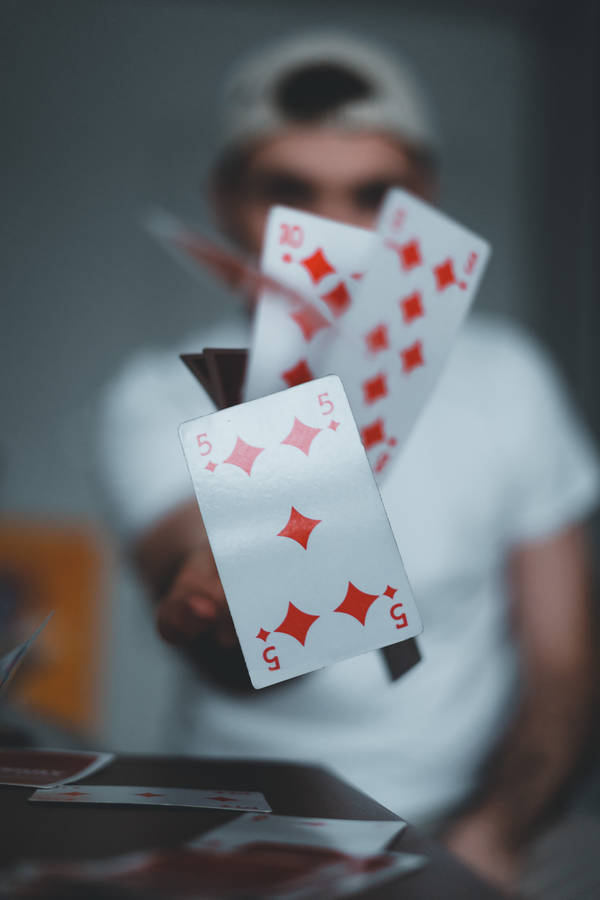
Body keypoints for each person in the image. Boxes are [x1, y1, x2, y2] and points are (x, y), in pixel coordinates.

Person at [98, 33, 600, 893]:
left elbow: (561, 658)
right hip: (237, 827)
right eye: (290, 193)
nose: (330, 232)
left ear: (424, 203)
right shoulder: (156, 397)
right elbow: (256, 657)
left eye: (372, 195)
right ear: (226, 202)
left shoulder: (510, 380)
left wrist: (498, 829)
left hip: (468, 818)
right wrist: (300, 377)